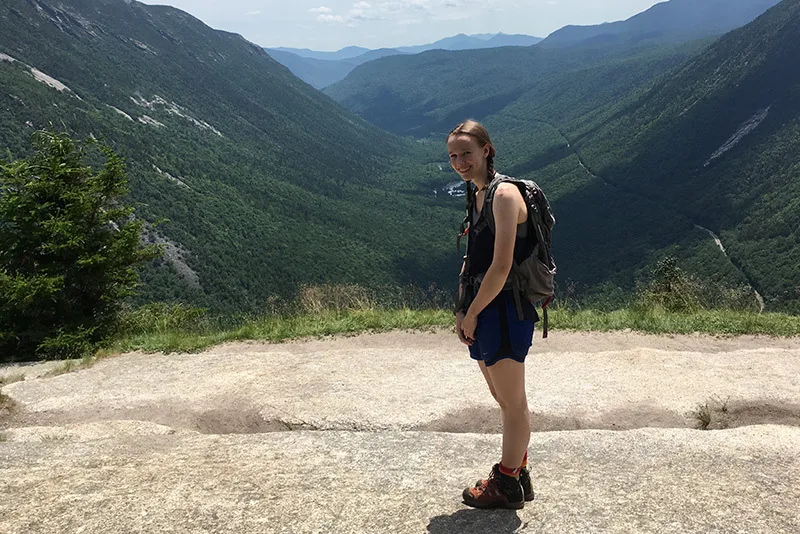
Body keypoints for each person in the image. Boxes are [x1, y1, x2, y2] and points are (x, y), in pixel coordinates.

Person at [448, 120, 537, 510]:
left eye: (467, 152)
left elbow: (501, 267)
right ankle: (519, 472)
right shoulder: (479, 193)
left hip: (504, 310)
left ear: (487, 149)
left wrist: (472, 315)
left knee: (512, 402)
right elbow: (476, 258)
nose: (460, 162)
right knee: (503, 397)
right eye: (453, 156)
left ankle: (506, 481)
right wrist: (463, 309)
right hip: (486, 309)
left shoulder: (503, 196)